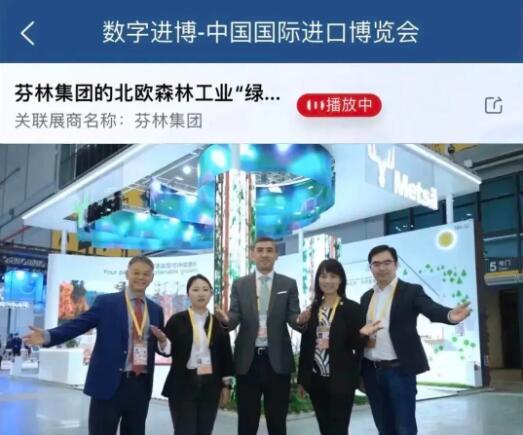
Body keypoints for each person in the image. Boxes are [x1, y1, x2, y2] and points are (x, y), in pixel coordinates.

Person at [23, 255, 168, 435]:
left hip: (140, 386)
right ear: (127, 274)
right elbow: (79, 325)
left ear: (152, 277)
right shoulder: (107, 303)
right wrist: (48, 336)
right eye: (136, 272)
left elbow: (160, 343)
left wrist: (164, 343)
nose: (141, 277)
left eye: (146, 274)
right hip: (108, 383)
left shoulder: (155, 310)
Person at [361, 245, 472, 435]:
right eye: (376, 264)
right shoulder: (367, 297)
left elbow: (430, 308)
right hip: (372, 371)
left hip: (399, 371)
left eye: (387, 263)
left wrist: (449, 316)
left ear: (396, 265)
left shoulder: (410, 291)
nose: (382, 268)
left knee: (405, 427)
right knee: (383, 426)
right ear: (370, 267)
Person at [215, 236, 311, 435]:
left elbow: (293, 316)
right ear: (252, 254)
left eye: (269, 250)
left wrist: (300, 320)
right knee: (246, 421)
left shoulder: (288, 284)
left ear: (276, 255)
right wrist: (225, 320)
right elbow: (234, 316)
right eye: (260, 250)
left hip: (277, 361)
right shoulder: (240, 284)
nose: (264, 254)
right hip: (248, 361)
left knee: (277, 422)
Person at [298, 258, 381, 435]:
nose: (327, 281)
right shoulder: (312, 309)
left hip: (341, 381)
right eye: (323, 276)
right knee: (324, 427)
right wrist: (302, 379)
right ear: (318, 280)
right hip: (316, 380)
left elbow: (356, 346)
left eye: (333, 276)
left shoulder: (352, 308)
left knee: (339, 429)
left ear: (340, 279)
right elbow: (306, 346)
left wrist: (362, 334)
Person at [162, 274, 234, 435]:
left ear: (211, 293)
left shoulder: (218, 322)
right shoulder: (177, 320)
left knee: (205, 430)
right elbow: (166, 351)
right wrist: (162, 342)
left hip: (210, 385)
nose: (201, 294)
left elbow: (226, 357)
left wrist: (227, 386)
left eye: (205, 289)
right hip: (182, 385)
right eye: (195, 290)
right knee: (184, 431)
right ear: (188, 294)